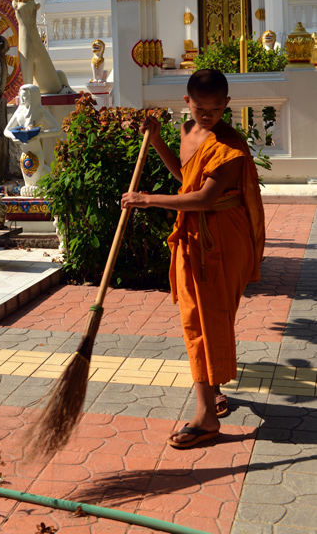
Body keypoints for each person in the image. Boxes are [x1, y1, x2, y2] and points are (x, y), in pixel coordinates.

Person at [121, 69, 264, 448]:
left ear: (227, 105)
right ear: (187, 104)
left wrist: (146, 199)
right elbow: (186, 178)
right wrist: (155, 142)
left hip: (223, 238)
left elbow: (202, 199)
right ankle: (210, 389)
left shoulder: (230, 147)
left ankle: (205, 419)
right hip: (195, 234)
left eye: (217, 110)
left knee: (209, 318)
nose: (208, 116)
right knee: (197, 316)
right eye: (201, 109)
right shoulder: (187, 133)